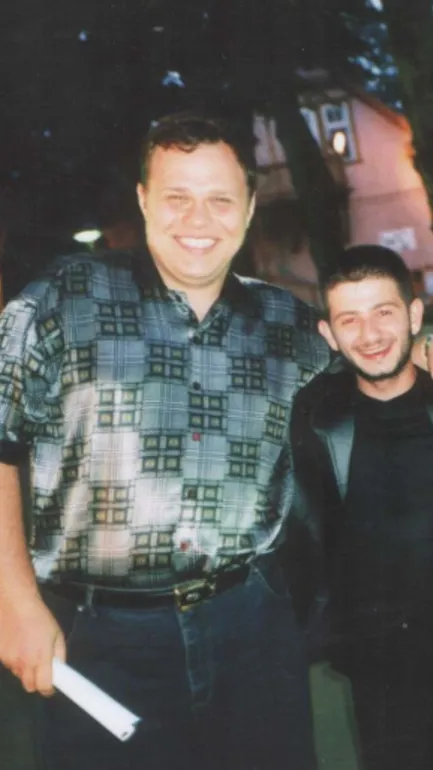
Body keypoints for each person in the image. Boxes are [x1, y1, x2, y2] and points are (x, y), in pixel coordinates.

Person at [0, 111, 328, 770]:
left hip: (252, 628)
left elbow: (378, 387)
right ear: (144, 199)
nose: (198, 220)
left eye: (220, 200)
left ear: (249, 209)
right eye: (177, 197)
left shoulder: (291, 327)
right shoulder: (62, 299)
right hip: (97, 639)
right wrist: (14, 603)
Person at [291, 244, 433, 770]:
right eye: (349, 319)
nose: (369, 335)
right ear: (329, 334)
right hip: (380, 670)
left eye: (384, 312)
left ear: (414, 315)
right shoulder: (313, 422)